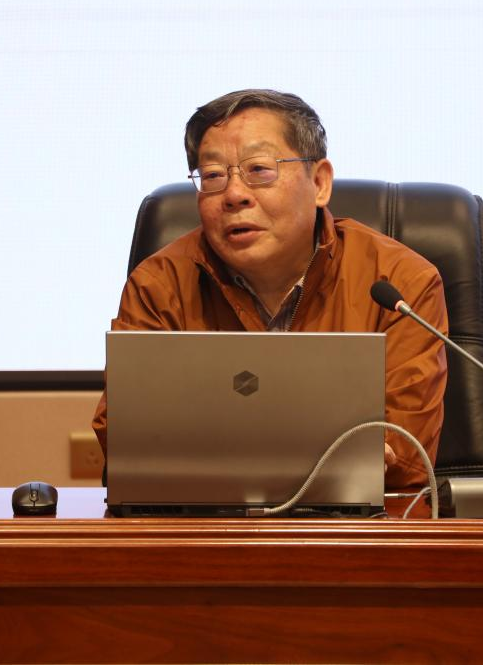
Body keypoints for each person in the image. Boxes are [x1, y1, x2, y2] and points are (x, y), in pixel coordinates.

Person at [91, 89, 447, 489]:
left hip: (354, 520)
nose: (234, 195)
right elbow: (125, 436)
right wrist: (325, 454)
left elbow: (406, 455)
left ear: (320, 183)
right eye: (213, 176)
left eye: (259, 169)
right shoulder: (160, 285)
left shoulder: (400, 283)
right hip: (202, 517)